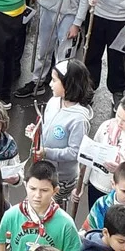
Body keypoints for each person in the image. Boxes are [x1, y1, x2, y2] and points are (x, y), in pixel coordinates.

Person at [0, 160, 81, 251]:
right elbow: (0, 250)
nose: (37, 195)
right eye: (32, 188)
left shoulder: (66, 224)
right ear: (25, 185)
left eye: (44, 190)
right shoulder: (11, 215)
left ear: (55, 190)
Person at [30, 59, 93, 207]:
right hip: (45, 168)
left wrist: (47, 152)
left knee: (51, 208)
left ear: (68, 84)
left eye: (54, 80)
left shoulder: (78, 119)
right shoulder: (54, 101)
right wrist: (36, 131)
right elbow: (47, 126)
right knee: (40, 205)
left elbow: (75, 152)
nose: (50, 84)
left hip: (62, 177)